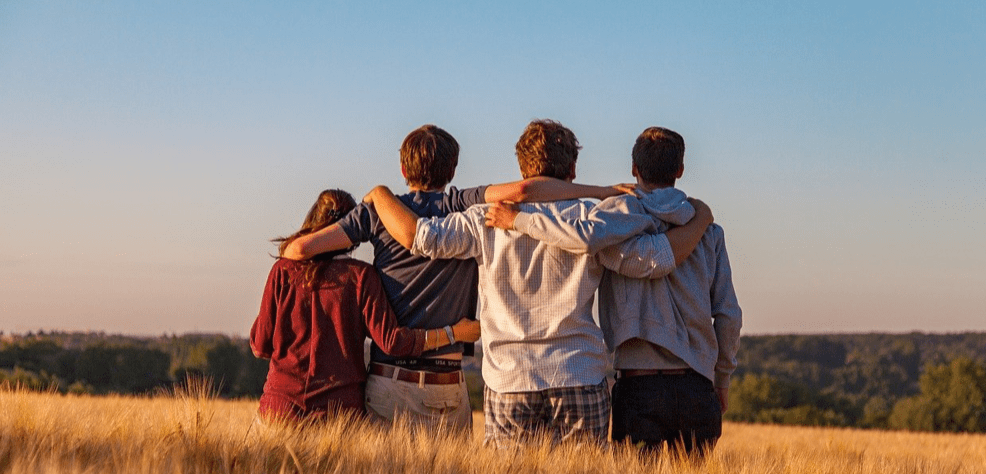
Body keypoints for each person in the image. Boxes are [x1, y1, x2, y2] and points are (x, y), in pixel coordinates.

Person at [364, 119, 713, 447]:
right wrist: (700, 221)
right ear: (572, 170)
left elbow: (421, 238)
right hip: (578, 372)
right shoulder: (593, 219)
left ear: (521, 168)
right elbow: (653, 260)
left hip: (509, 379)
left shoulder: (483, 219)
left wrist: (380, 195)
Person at [280, 124, 633, 433]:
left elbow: (298, 251)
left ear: (403, 168)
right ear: (453, 169)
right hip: (449, 384)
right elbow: (525, 192)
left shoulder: (378, 212)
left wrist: (375, 199)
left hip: (390, 380)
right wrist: (600, 192)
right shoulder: (463, 204)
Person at [488, 127, 742, 456]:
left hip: (638, 385)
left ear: (634, 168)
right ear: (679, 170)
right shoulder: (709, 232)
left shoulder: (612, 219)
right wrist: (722, 378)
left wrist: (519, 220)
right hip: (697, 385)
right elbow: (728, 314)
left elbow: (583, 238)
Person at [250, 189, 480, 424]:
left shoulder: (282, 271)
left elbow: (260, 346)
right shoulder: (361, 277)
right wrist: (453, 333)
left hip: (279, 410)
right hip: (339, 415)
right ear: (351, 230)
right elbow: (392, 342)